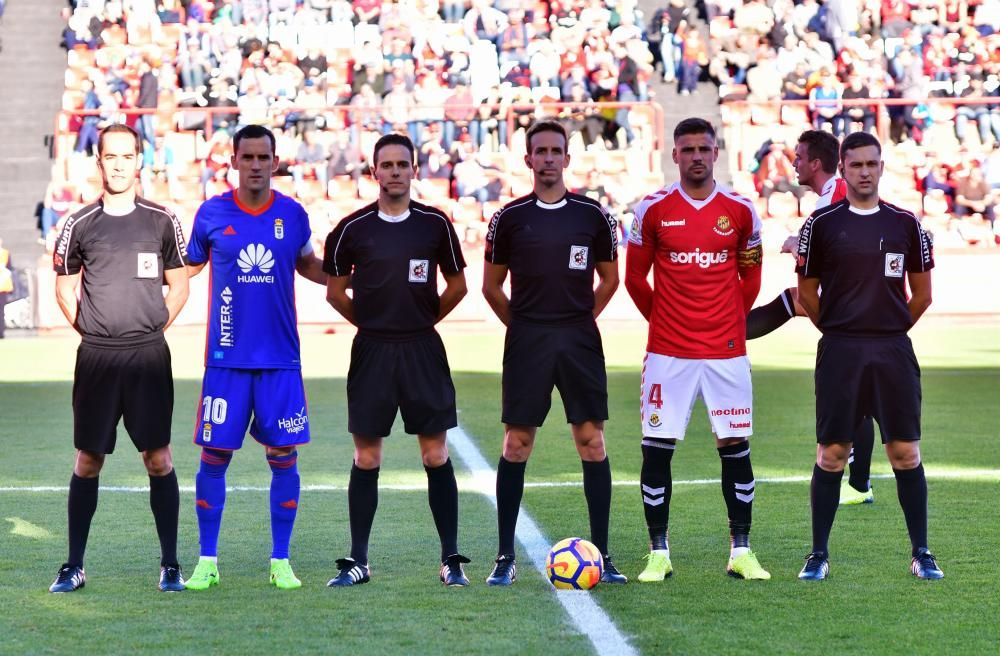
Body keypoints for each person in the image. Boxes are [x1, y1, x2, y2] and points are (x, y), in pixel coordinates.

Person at [625, 117, 770, 583]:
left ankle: (742, 551)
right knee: (657, 449)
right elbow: (633, 278)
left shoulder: (742, 211)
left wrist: (728, 321)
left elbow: (751, 277)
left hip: (726, 353)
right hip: (668, 352)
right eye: (687, 150)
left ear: (716, 152)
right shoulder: (651, 210)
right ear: (675, 155)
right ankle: (658, 552)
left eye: (703, 149)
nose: (696, 157)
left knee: (735, 447)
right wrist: (666, 321)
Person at [183, 125, 328, 591]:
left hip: (280, 361)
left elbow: (310, 265)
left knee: (283, 456)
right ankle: (207, 560)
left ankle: (280, 560)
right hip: (225, 361)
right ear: (235, 161)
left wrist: (357, 281)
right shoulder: (211, 214)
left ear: (275, 160)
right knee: (214, 455)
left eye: (263, 157)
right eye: (247, 157)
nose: (256, 165)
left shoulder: (293, 214)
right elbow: (186, 266)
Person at [323, 133, 471, 587]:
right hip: (372, 350)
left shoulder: (435, 224)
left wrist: (423, 321)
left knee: (435, 454)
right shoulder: (352, 229)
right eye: (385, 165)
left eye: (401, 164)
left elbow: (458, 286)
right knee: (367, 458)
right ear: (373, 172)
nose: (394, 172)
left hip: (422, 349)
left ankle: (450, 559)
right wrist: (371, 324)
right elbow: (334, 292)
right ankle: (359, 561)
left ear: (413, 170)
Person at [482, 121, 626, 586]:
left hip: (578, 338)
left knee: (592, 441)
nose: (547, 158)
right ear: (527, 160)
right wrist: (524, 327)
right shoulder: (509, 217)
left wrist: (581, 318)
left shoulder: (593, 215)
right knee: (517, 443)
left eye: (555, 151)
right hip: (528, 340)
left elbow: (609, 280)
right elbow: (490, 286)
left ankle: (602, 554)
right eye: (539, 151)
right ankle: (505, 556)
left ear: (567, 158)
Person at [795, 131, 942, 581]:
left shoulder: (905, 224)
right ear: (842, 169)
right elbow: (806, 294)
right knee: (832, 453)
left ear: (881, 167)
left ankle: (921, 552)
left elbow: (922, 295)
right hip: (840, 350)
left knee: (905, 453)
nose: (863, 172)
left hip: (892, 351)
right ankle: (818, 554)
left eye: (871, 164)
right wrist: (842, 330)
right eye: (855, 164)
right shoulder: (820, 225)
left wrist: (888, 329)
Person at [49, 123, 190, 593]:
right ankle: (74, 565)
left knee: (159, 459)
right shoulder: (79, 223)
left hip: (148, 357)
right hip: (97, 358)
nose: (118, 164)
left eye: (127, 156)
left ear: (140, 161)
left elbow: (181, 283)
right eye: (110, 157)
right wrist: (89, 328)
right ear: (100, 162)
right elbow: (65, 287)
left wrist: (154, 326)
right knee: (88, 459)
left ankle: (170, 564)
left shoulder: (161, 220)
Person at [748, 130, 880, 506]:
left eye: (799, 157)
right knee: (794, 300)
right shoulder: (831, 194)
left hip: (855, 305)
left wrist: (797, 244)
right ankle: (859, 483)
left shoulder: (837, 191)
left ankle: (858, 484)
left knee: (861, 395)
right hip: (854, 299)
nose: (794, 163)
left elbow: (836, 238)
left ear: (816, 163)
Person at [0, 237, 12, 338]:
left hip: (2, 285)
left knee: (1, 310)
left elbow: (9, 269)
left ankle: (1, 332)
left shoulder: (5, 253)